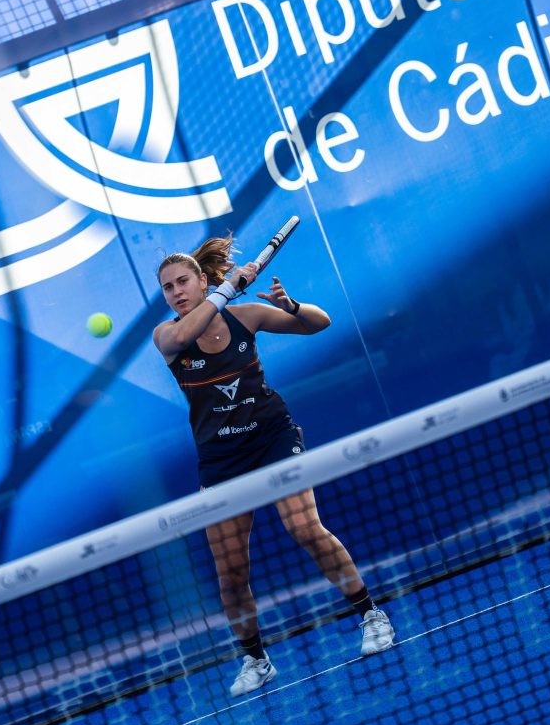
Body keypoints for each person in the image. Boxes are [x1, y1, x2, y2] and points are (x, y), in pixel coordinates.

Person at [154, 235, 394, 697]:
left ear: (202, 282)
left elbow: (319, 323)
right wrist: (228, 289)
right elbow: (184, 335)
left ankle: (371, 614)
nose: (176, 292)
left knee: (304, 528)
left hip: (272, 439)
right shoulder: (167, 336)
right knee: (231, 572)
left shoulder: (246, 317)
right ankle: (256, 659)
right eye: (168, 287)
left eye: (183, 281)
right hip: (221, 460)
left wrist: (292, 306)